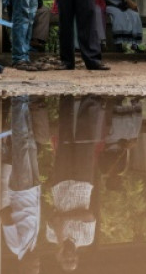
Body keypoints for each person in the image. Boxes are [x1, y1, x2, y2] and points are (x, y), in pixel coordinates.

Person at [47, 95, 104, 271]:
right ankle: (91, 100)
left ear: (59, 259)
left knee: (64, 138)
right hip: (82, 182)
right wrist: (65, 217)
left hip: (61, 182)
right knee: (85, 141)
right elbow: (89, 215)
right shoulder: (86, 239)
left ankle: (65, 98)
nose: (70, 258)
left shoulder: (52, 237)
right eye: (73, 261)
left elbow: (52, 217)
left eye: (66, 261)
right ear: (77, 258)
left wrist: (59, 240)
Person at [0, 96, 42, 274]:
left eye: (34, 267)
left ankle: (17, 102)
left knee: (21, 144)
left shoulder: (16, 247)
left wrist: (16, 202)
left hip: (21, 190)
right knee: (30, 142)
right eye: (38, 267)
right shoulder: (31, 245)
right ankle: (24, 104)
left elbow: (4, 217)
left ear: (23, 268)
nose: (37, 263)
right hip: (33, 189)